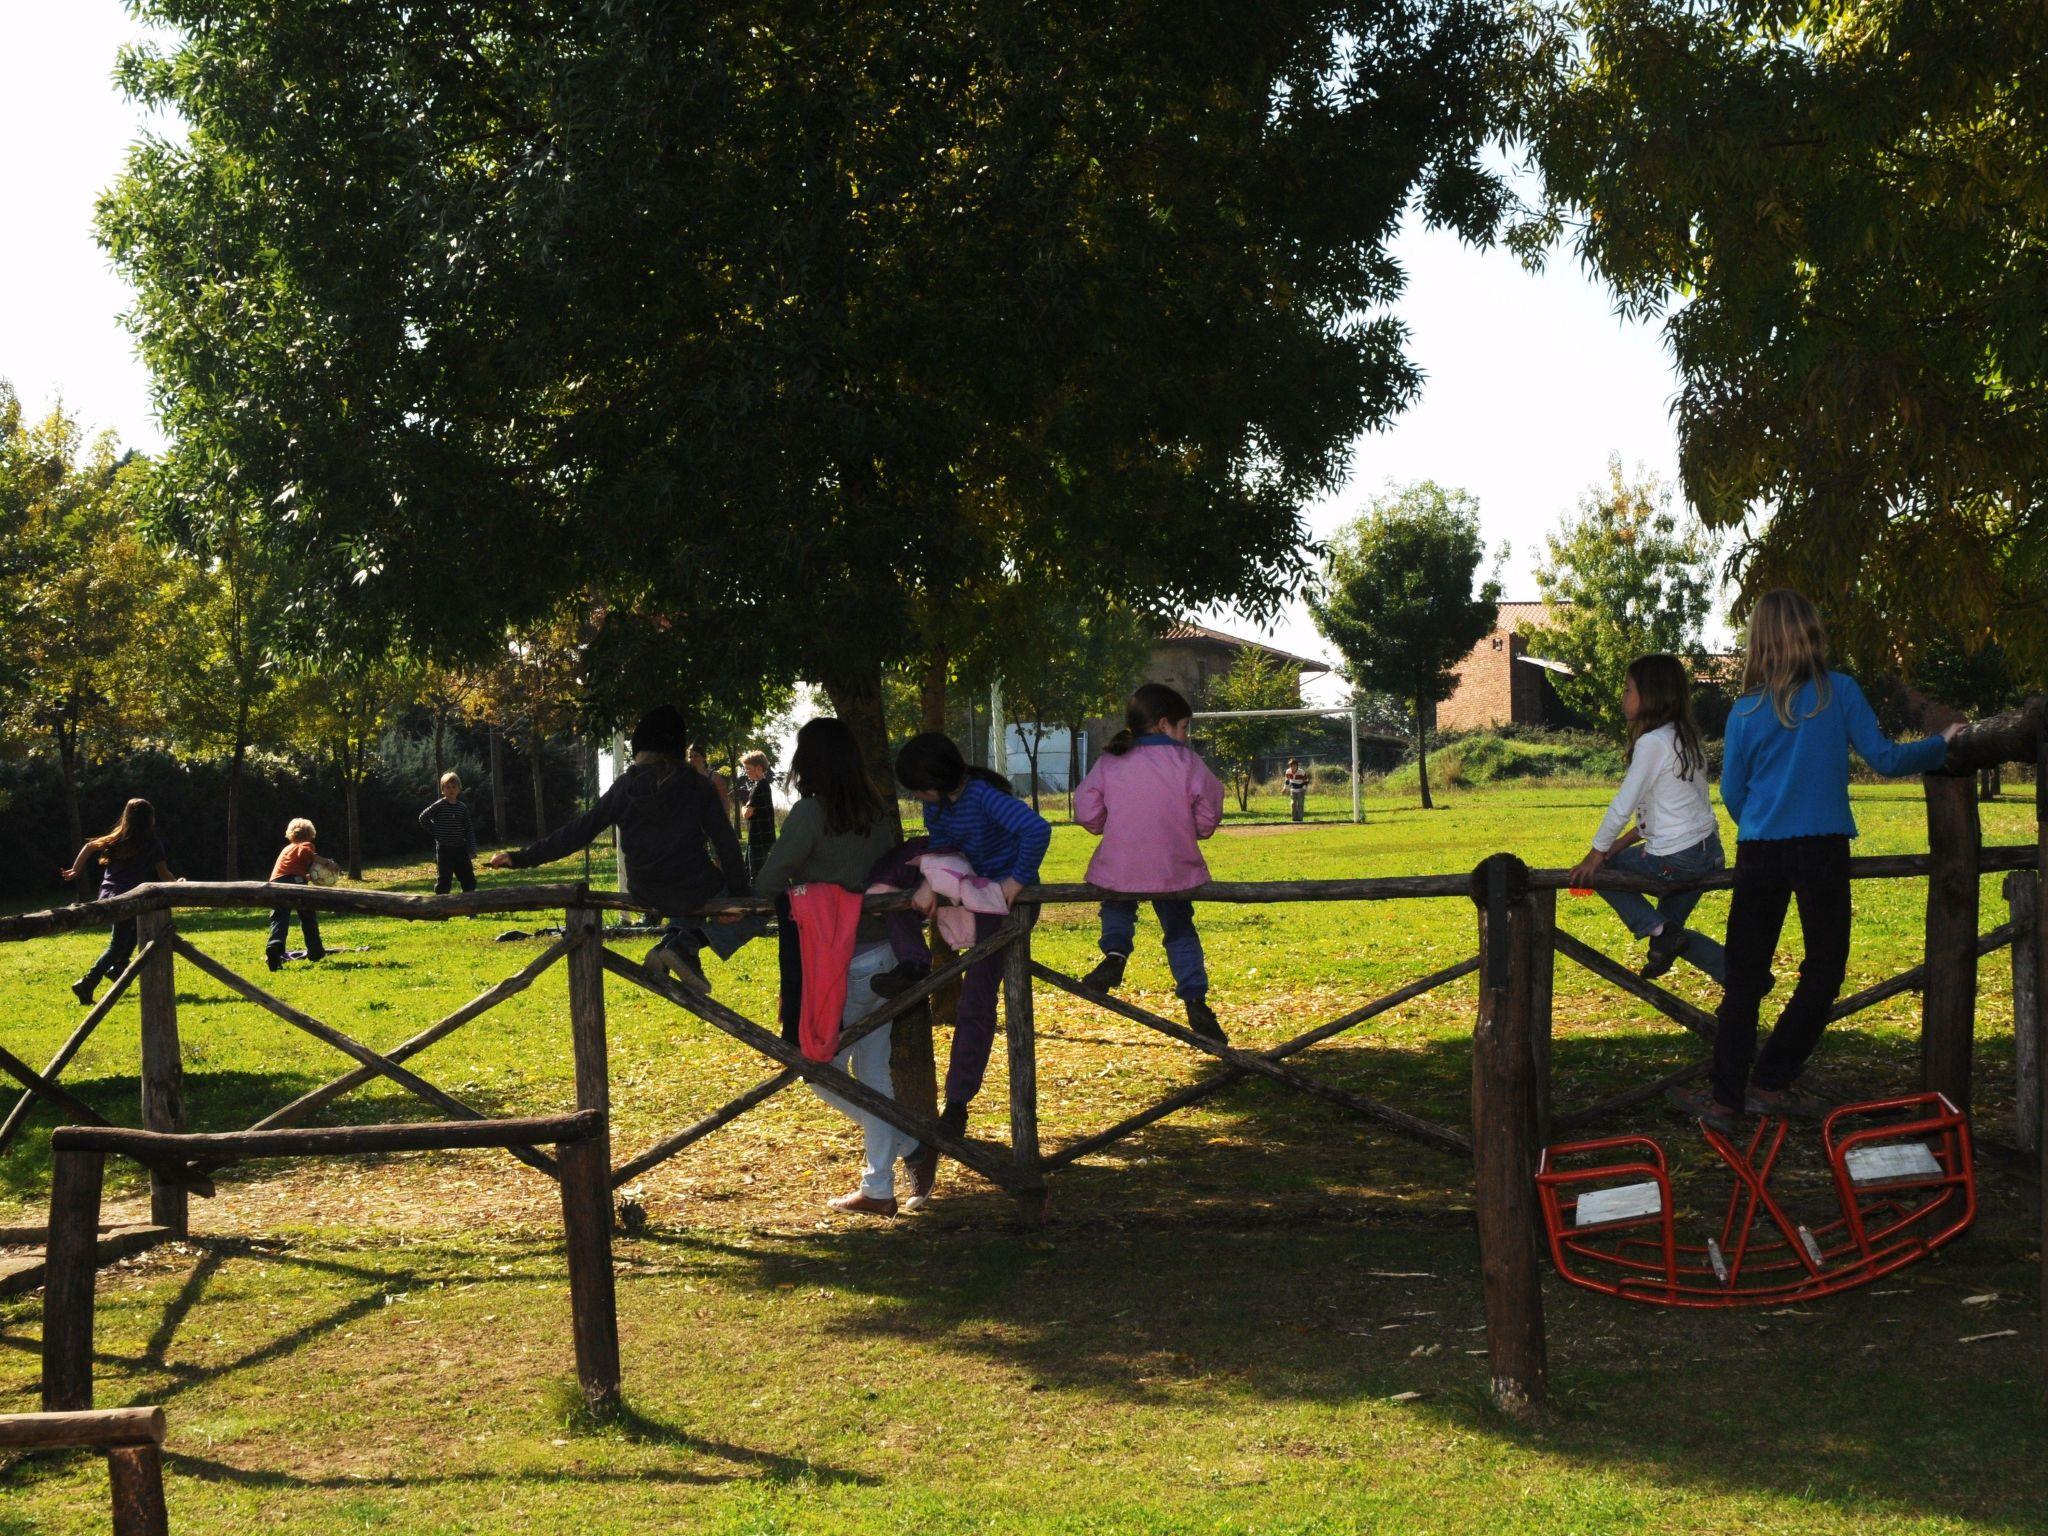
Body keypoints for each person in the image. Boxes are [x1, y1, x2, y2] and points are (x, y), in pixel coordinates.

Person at [1669, 590, 1960, 1133]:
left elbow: (1732, 792)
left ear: (1758, 641)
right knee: (1824, 970)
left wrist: (1762, 821)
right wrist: (1940, 743)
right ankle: (1771, 1078)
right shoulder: (1839, 691)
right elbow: (1886, 758)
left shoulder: (1744, 711)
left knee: (1744, 978)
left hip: (1760, 851)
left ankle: (1726, 1100)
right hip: (1822, 847)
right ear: (1811, 633)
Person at [752, 719, 936, 1216]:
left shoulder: (812, 812)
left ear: (807, 760)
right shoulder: (875, 813)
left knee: (816, 1068)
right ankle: (879, 1186)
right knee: (872, 1072)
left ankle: (908, 1146)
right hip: (887, 953)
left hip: (842, 959)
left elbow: (769, 878)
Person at [491, 707, 752, 991]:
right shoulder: (697, 786)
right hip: (692, 886)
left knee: (686, 884)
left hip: (644, 888)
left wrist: (521, 858)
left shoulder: (625, 787)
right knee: (753, 914)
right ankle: (684, 945)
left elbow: (579, 831)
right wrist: (739, 897)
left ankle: (669, 947)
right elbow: (725, 842)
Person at [879, 732, 1051, 1143]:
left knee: (976, 999)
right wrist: (929, 883)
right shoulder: (936, 804)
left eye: (919, 789)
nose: (917, 796)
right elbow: (945, 848)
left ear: (938, 781)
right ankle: (912, 964)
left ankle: (957, 1103)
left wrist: (1017, 880)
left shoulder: (984, 796)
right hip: (969, 887)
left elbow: (1036, 830)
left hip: (1002, 903)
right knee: (893, 886)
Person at [1073, 683, 1228, 1042]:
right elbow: (1211, 804)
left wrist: (1106, 825)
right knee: (1179, 927)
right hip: (1173, 865)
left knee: (1117, 905)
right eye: (1184, 727)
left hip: (1121, 863)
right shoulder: (1187, 761)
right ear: (1163, 724)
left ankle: (1115, 955)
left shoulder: (1111, 760)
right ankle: (1194, 998)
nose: (1186, 735)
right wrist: (1195, 829)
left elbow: (1086, 808)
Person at [1565, 655, 1728, 985]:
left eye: (1628, 689)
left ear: (1650, 695)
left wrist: (1597, 855)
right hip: (1708, 853)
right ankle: (1742, 976)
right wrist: (1620, 843)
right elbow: (1669, 811)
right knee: (1670, 935)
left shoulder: (1653, 743)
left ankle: (1660, 933)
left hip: (1677, 858)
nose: (1623, 697)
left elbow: (1622, 805)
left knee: (1605, 874)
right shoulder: (1684, 737)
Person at [61, 798, 178, 1005]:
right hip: (128, 897)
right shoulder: (152, 844)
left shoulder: (117, 838)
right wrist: (178, 884)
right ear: (150, 819)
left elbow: (89, 846)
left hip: (109, 895)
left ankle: (119, 967)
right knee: (117, 945)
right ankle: (88, 982)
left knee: (134, 930)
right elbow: (163, 873)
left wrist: (75, 870)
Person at [266, 818, 337, 971]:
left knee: (279, 916)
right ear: (310, 834)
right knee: (307, 915)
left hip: (276, 883)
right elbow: (305, 852)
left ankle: (275, 945)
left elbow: (289, 869)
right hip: (294, 881)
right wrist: (327, 863)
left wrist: (307, 877)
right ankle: (315, 951)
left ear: (291, 834)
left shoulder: (287, 849)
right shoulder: (305, 845)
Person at [419, 771, 479, 894]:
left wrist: (472, 849)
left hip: (460, 848)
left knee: (468, 879)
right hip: (444, 850)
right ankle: (442, 904)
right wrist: (436, 831)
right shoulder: (439, 805)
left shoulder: (462, 807)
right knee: (444, 881)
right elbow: (423, 818)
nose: (451, 790)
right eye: (447, 787)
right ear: (443, 790)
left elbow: (469, 829)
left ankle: (469, 903)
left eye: (454, 787)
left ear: (458, 789)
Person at [739, 750, 777, 880]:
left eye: (748, 769)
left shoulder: (759, 786)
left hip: (758, 838)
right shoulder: (763, 785)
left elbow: (747, 814)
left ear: (759, 768)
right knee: (755, 871)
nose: (746, 772)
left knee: (755, 875)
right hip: (764, 837)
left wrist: (743, 808)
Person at [689, 743, 732, 819]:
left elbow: (724, 801)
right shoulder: (687, 778)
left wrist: (725, 820)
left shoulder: (715, 777)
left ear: (704, 758)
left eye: (696, 756)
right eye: (690, 757)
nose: (693, 759)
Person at [1283, 758, 1310, 823]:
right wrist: (1285, 788)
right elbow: (1287, 781)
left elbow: (1306, 781)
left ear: (1297, 766)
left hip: (1301, 790)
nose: (1293, 767)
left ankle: (1300, 819)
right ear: (1290, 766)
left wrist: (1304, 789)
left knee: (1300, 804)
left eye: (1294, 766)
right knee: (1293, 804)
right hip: (1293, 790)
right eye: (1292, 766)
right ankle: (1294, 818)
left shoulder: (1301, 772)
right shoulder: (1288, 771)